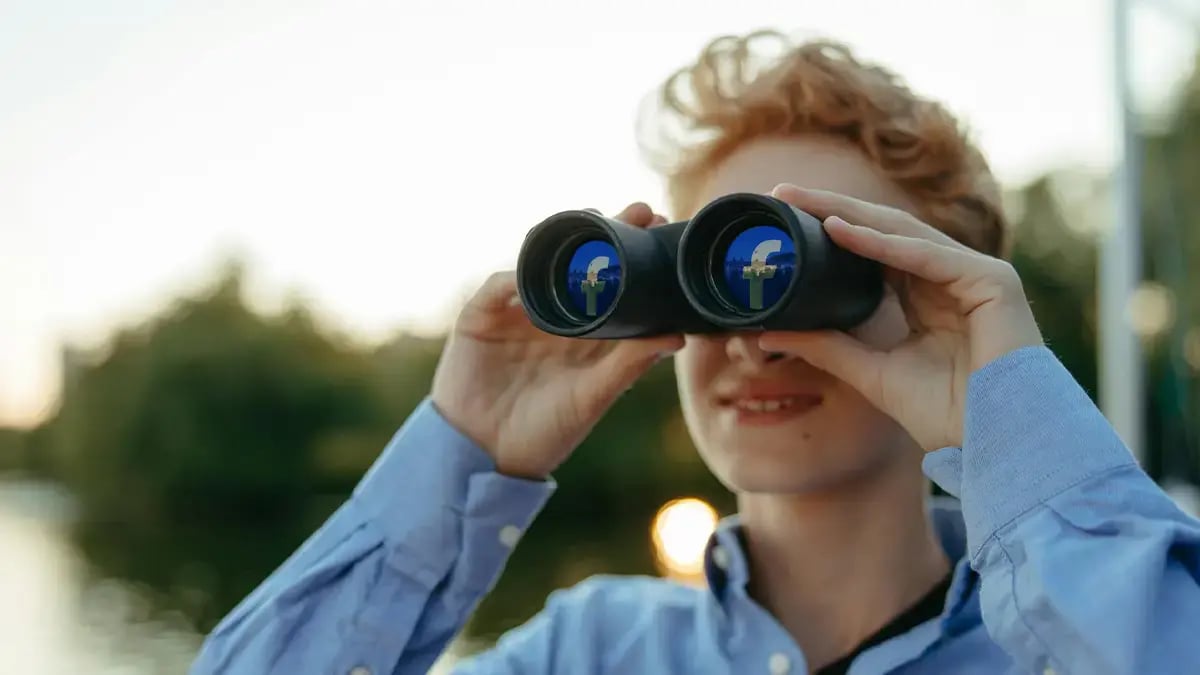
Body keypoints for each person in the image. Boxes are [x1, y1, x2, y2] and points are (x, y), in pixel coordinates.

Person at [189, 31, 1200, 675]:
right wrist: (462, 450)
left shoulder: (1069, 638)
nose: (756, 339)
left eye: (808, 273)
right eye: (717, 273)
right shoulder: (590, 653)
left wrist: (1010, 418)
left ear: (949, 301)